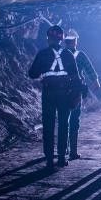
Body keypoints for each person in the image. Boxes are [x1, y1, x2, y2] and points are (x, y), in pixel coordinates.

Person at [28, 25, 83, 169]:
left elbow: (32, 73)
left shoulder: (42, 54)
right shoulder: (68, 54)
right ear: (62, 39)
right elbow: (76, 77)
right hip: (64, 94)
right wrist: (77, 95)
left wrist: (44, 72)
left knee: (48, 125)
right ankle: (62, 158)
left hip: (48, 94)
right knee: (64, 124)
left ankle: (49, 159)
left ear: (48, 39)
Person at [64, 28, 100, 160]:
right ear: (75, 41)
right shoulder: (80, 55)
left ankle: (63, 149)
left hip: (62, 92)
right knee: (74, 120)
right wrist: (95, 81)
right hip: (76, 93)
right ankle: (73, 151)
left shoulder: (60, 54)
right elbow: (89, 69)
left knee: (64, 120)